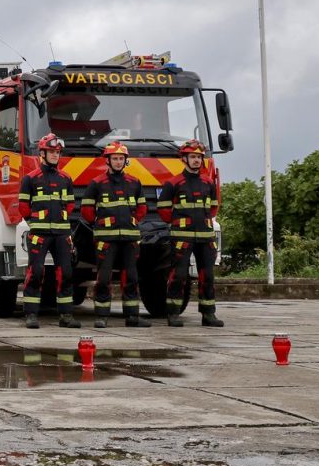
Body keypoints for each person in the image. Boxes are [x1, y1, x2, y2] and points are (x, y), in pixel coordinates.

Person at [81, 142, 150, 329]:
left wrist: (132, 220)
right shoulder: (97, 183)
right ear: (108, 161)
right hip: (106, 239)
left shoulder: (135, 183)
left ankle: (132, 317)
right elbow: (86, 210)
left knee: (132, 277)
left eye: (121, 159)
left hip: (129, 239)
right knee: (104, 278)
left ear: (125, 161)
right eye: (115, 159)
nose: (118, 162)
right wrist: (101, 223)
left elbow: (142, 207)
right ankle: (101, 316)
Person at [159, 139, 223, 327]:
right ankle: (173, 313)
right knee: (178, 275)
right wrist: (181, 224)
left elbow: (212, 208)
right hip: (182, 237)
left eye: (199, 157)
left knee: (208, 276)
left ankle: (208, 314)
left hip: (205, 237)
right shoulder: (173, 183)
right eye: (193, 157)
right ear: (184, 159)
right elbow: (164, 211)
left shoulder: (208, 183)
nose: (196, 160)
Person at [18, 133, 79, 329]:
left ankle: (66, 316)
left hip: (61, 234)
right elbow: (23, 207)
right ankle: (31, 315)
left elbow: (69, 206)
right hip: (39, 233)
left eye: (57, 152)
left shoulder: (66, 179)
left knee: (66, 273)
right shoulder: (30, 179)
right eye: (51, 152)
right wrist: (35, 223)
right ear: (42, 154)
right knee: (36, 272)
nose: (55, 155)